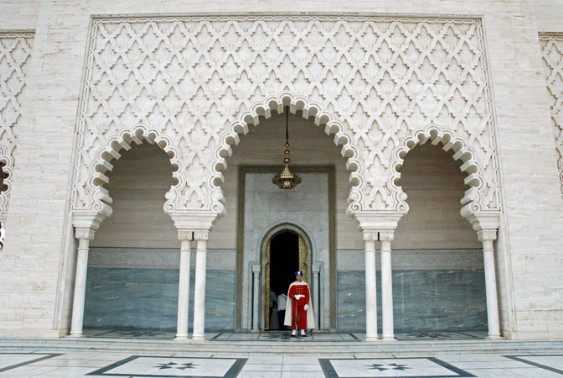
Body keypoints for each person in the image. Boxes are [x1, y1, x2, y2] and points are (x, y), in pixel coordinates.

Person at [284, 270, 315, 337]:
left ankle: (302, 331)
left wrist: (306, 304)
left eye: (300, 276)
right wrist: (295, 296)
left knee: (303, 317)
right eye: (297, 276)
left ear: (301, 277)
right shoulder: (292, 285)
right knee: (294, 317)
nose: (299, 277)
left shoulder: (305, 284)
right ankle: (294, 331)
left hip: (303, 303)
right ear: (296, 277)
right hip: (295, 303)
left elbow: (307, 295)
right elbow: (290, 294)